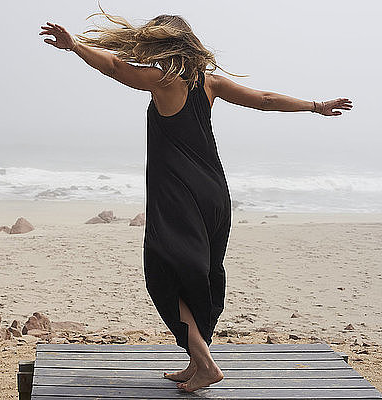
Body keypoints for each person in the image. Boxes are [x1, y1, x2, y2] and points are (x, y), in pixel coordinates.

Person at [39, 10, 352, 393]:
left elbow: (116, 68)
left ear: (162, 44)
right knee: (198, 275)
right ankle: (195, 361)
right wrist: (316, 106)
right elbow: (265, 100)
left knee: (162, 273)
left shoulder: (163, 81)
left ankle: (205, 363)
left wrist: (75, 47)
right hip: (215, 194)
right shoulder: (211, 84)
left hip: (178, 195)